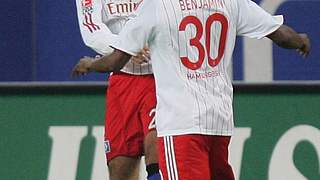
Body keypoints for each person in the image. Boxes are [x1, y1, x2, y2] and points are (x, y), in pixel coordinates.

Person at [72, 0, 311, 179]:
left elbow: (114, 60)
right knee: (120, 169)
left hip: (180, 119)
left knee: (157, 153)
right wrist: (300, 40)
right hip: (218, 122)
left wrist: (90, 64)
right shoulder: (230, 2)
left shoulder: (158, 7)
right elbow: (280, 34)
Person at [74, 0, 160, 179]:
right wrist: (127, 46)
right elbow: (92, 28)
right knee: (120, 168)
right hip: (122, 78)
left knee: (158, 158)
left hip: (160, 76)